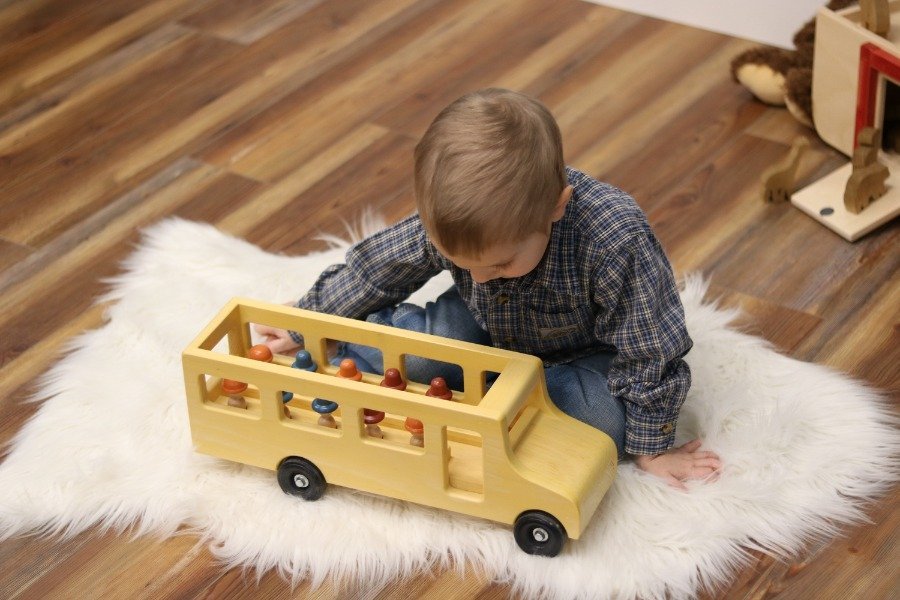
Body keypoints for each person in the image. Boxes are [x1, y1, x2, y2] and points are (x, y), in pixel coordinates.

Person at [256, 88, 720, 490]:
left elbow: (650, 350)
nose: (478, 277)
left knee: (600, 424)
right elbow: (378, 268)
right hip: (484, 326)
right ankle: (368, 349)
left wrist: (653, 447)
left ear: (555, 210)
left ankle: (501, 403)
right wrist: (309, 321)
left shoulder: (615, 237)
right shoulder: (458, 220)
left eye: (500, 264)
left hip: (587, 354)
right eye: (462, 265)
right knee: (416, 353)